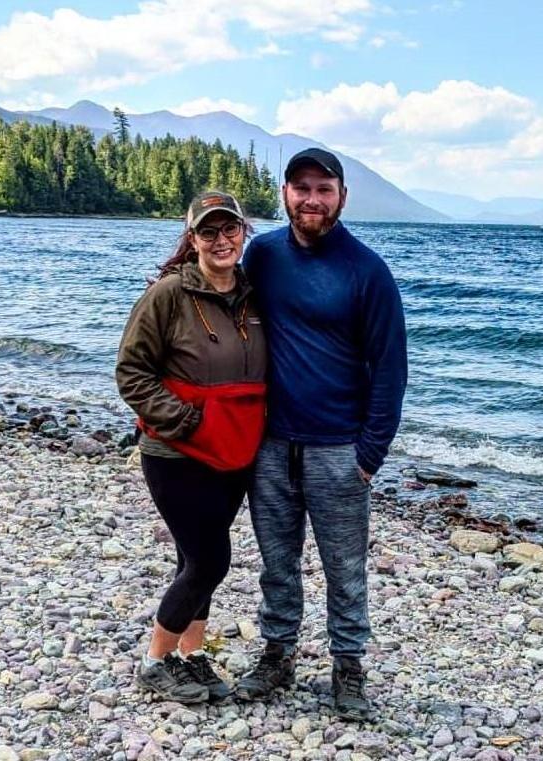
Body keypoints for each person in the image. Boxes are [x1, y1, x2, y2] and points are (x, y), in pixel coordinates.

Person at [236, 148, 408, 720]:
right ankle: (277, 655)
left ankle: (349, 668)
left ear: (341, 196)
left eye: (324, 188)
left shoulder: (367, 270)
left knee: (345, 569)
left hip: (340, 450)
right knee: (276, 562)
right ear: (284, 193)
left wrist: (370, 455)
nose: (312, 199)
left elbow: (390, 368)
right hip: (270, 445)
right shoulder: (261, 256)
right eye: (301, 187)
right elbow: (215, 297)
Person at [116, 190, 266, 704]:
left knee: (192, 557)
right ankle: (155, 660)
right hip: (176, 452)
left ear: (244, 232)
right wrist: (184, 421)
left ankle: (192, 653)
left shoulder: (254, 294)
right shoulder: (167, 295)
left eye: (230, 229)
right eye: (209, 231)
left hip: (235, 450)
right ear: (192, 239)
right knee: (210, 559)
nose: (221, 240)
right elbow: (131, 373)